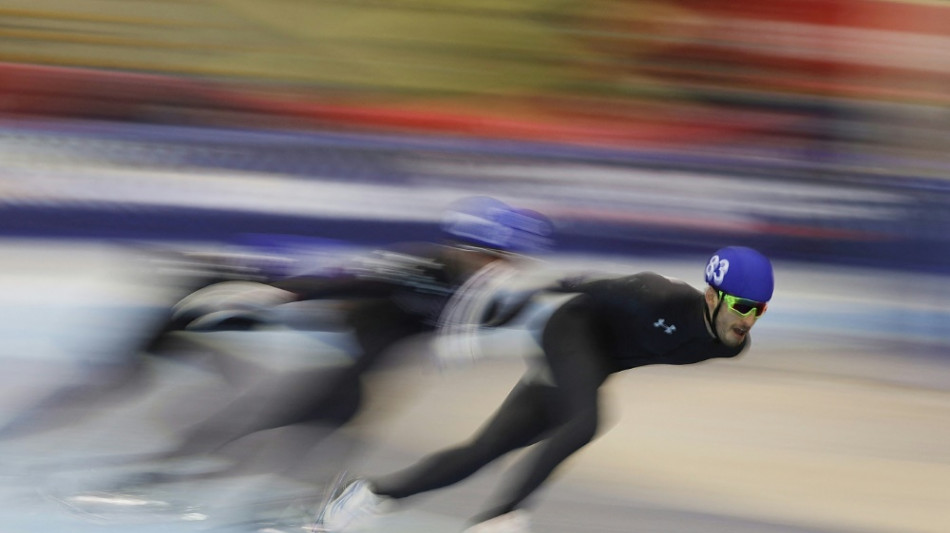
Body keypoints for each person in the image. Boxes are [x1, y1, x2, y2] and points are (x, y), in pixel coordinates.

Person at [95, 196, 555, 488]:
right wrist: (283, 293)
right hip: (338, 343)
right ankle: (161, 473)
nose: (495, 268)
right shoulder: (420, 265)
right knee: (286, 411)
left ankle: (278, 497)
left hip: (369, 359)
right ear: (460, 247)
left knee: (337, 418)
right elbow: (346, 279)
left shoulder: (500, 295)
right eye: (486, 256)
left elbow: (538, 316)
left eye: (506, 261)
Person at [318, 245, 775, 533]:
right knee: (587, 421)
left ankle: (370, 494)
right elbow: (567, 285)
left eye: (759, 310)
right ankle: (500, 517)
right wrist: (478, 323)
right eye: (741, 305)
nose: (748, 319)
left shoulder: (730, 346)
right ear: (713, 294)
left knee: (486, 450)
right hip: (570, 330)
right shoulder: (657, 294)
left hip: (596, 363)